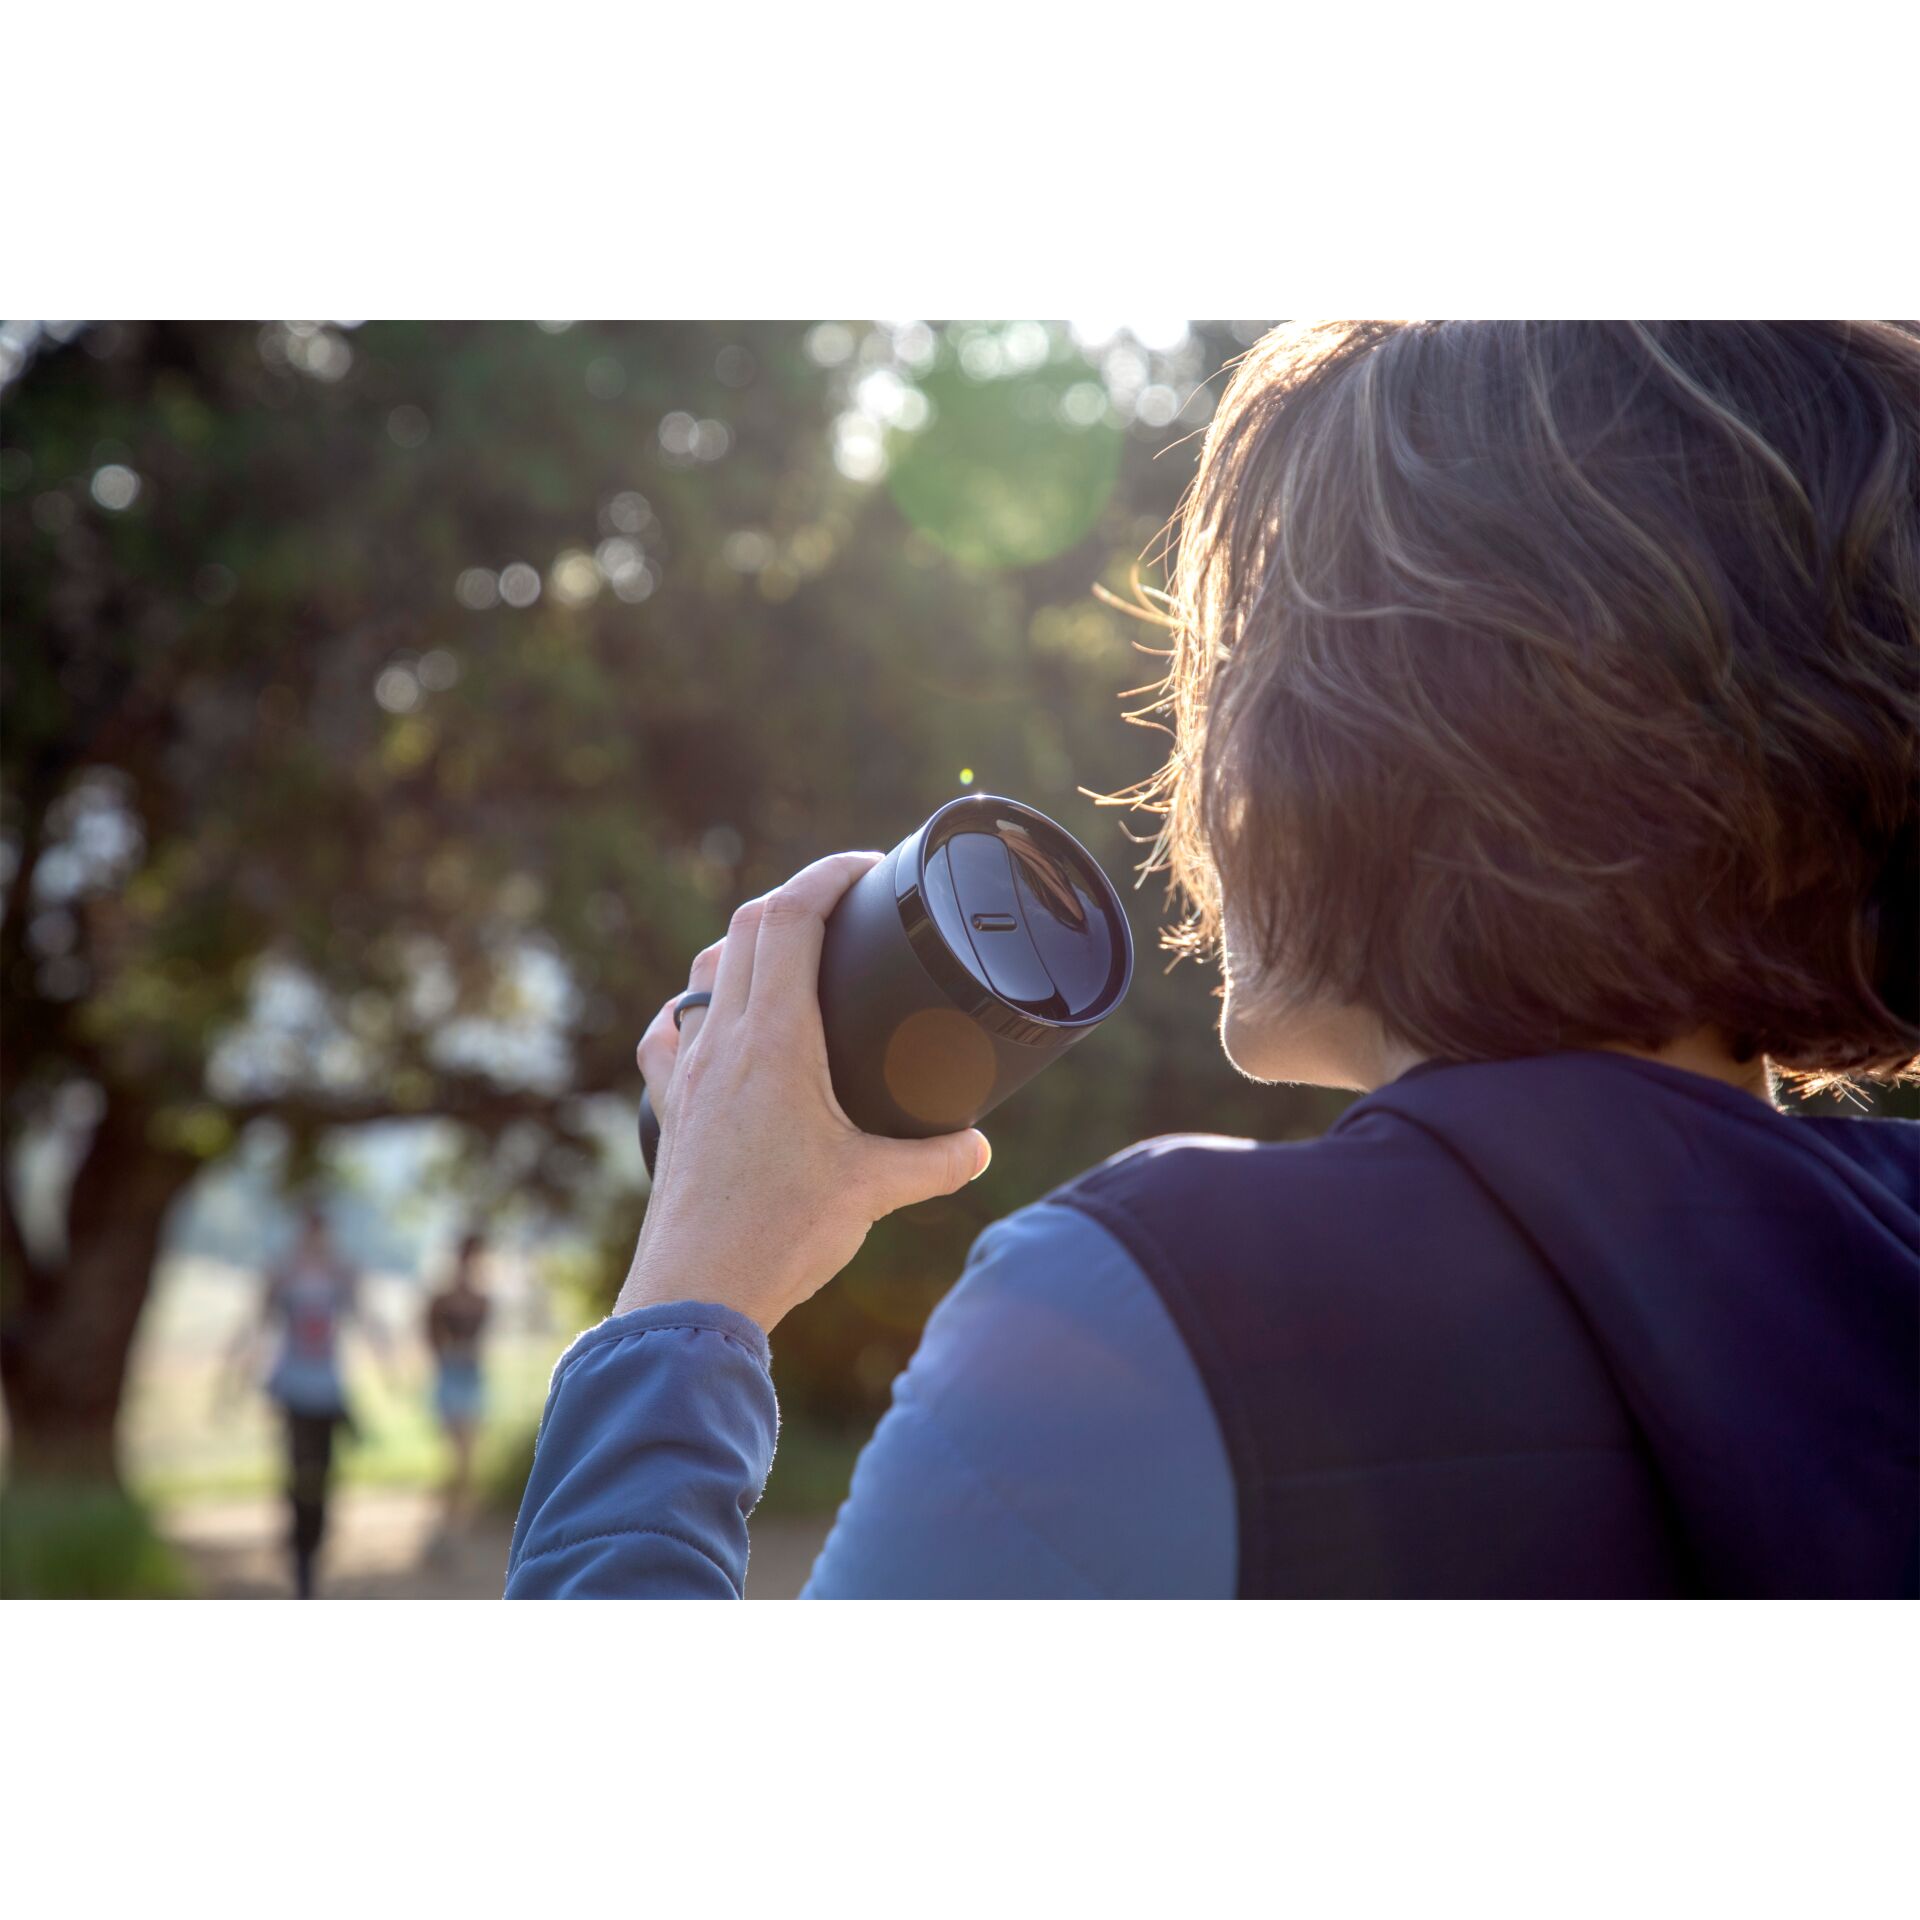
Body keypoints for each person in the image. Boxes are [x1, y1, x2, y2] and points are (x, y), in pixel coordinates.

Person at [505, 321, 1920, 1599]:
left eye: (1239, 666)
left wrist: (689, 1296)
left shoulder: (1148, 1311)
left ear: (1383, 738)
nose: (1196, 758)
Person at [230, 1205, 379, 1599]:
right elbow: (257, 1327)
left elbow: (367, 1319)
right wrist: (233, 1381)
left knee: (323, 1473)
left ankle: (313, 1538)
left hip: (328, 1393)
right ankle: (300, 1547)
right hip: (294, 1391)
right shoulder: (284, 1274)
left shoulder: (339, 1274)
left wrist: (391, 1362)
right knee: (299, 1471)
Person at [424, 1232, 491, 1540]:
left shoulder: (483, 1300)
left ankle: (451, 1522)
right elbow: (430, 1338)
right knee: (459, 1455)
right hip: (451, 1378)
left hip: (471, 1379)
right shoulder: (442, 1299)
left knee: (467, 1458)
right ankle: (446, 1521)